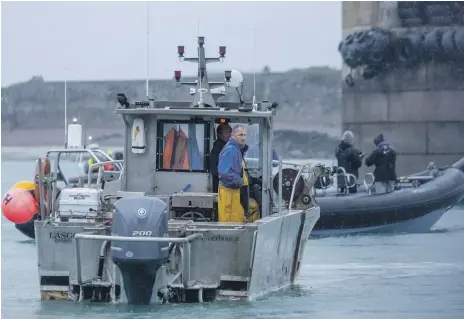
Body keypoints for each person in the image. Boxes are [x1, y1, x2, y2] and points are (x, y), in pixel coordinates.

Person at [217, 124, 255, 222]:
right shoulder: (230, 150)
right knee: (230, 229)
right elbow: (225, 174)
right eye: (240, 135)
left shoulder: (237, 150)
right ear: (233, 135)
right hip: (230, 198)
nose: (243, 138)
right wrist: (241, 182)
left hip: (235, 197)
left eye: (244, 135)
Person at [210, 123, 232, 193]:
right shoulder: (218, 147)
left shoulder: (229, 146)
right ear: (219, 135)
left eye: (230, 132)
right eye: (226, 132)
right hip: (221, 186)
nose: (229, 134)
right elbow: (214, 167)